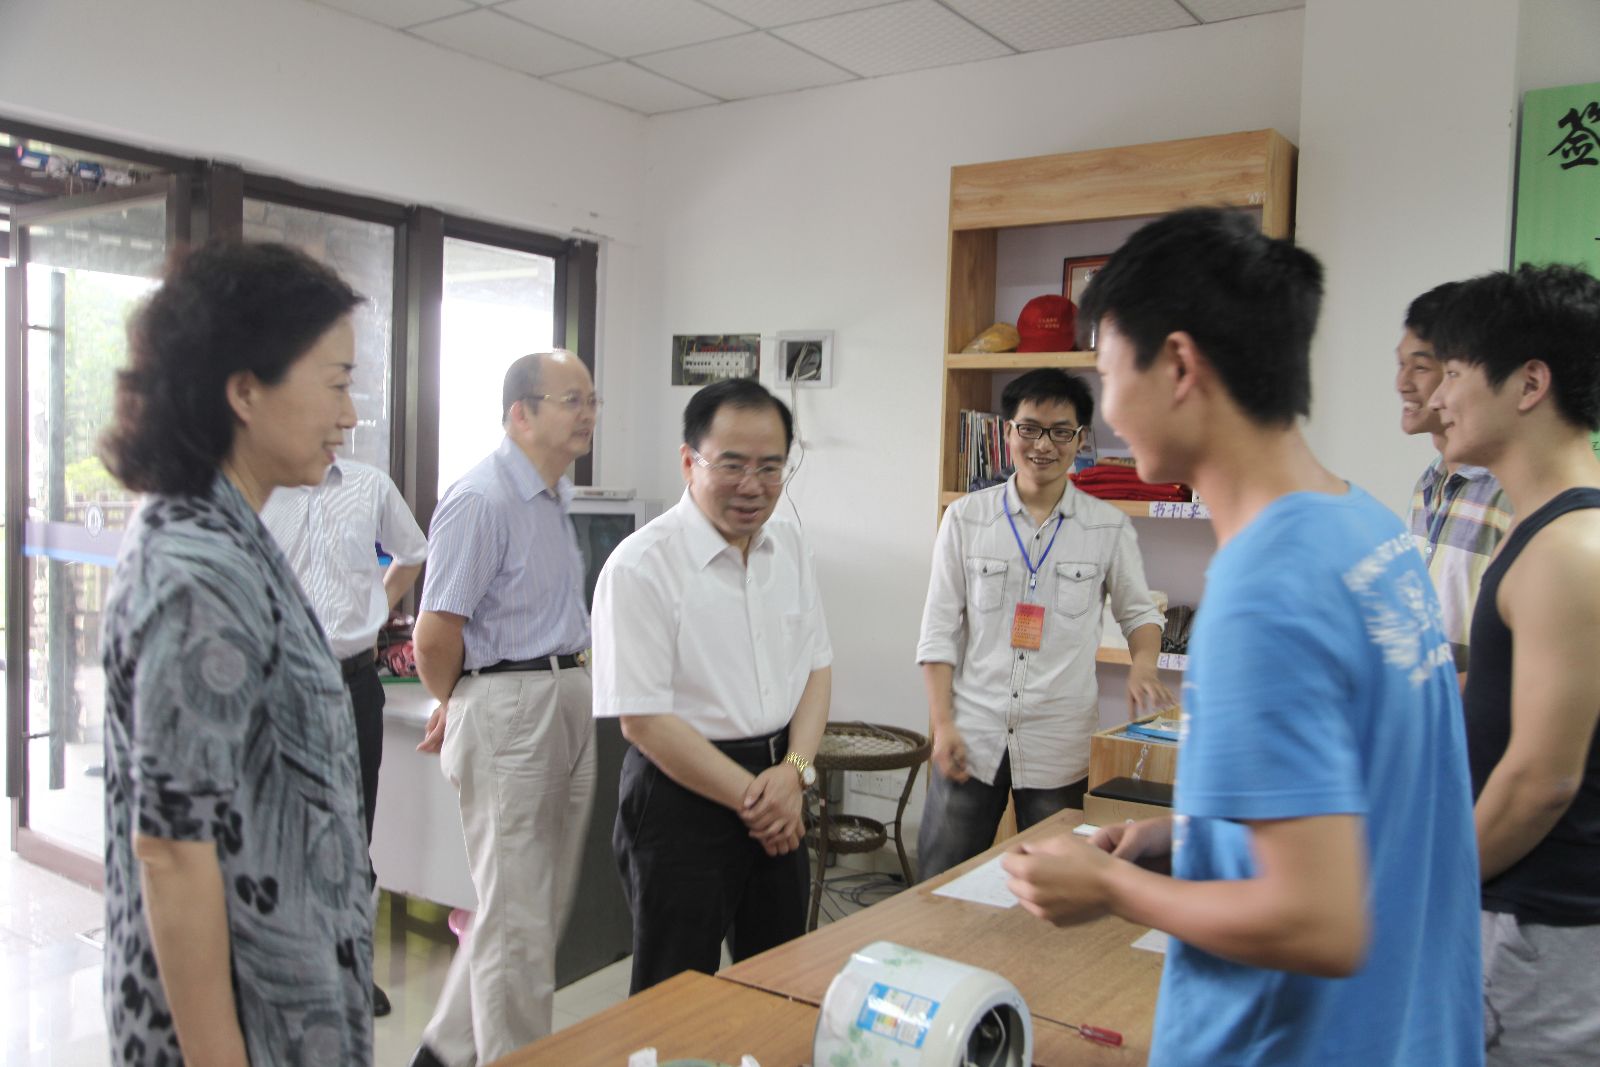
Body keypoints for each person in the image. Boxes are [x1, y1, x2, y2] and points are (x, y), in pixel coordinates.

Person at [1001, 208, 1482, 1067]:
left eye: (1108, 373)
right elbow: (1365, 805)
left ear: (1179, 366)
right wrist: (1187, 840)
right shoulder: (1367, 528)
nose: (1107, 413)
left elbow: (1321, 922)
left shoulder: (1265, 585)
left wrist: (1111, 886)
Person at [98, 241, 373, 1065]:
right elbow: (171, 849)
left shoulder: (227, 532)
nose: (349, 415)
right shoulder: (200, 569)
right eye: (337, 383)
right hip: (243, 1029)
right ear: (245, 390)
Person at [592, 378, 832, 995]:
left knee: (780, 981)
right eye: (731, 465)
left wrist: (794, 774)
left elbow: (816, 669)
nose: (752, 485)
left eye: (770, 467)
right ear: (688, 461)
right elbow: (643, 720)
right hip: (681, 796)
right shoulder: (640, 565)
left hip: (781, 780)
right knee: (674, 994)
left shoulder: (790, 546)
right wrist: (763, 800)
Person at [1427, 263, 1600, 1066]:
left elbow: (1542, 781)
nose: (1437, 397)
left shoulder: (1570, 547)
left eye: (1454, 373)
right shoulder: (1542, 534)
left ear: (1530, 383)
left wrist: (1425, 886)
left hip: (1540, 930)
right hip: (1515, 911)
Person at [407, 351, 599, 1067]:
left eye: (592, 399)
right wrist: (461, 698)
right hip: (513, 705)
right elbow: (435, 634)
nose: (587, 413)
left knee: (532, 911)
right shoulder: (482, 498)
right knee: (518, 924)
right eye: (571, 399)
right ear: (521, 413)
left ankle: (444, 1051)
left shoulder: (554, 497)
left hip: (564, 692)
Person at [915, 368, 1169, 879]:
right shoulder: (965, 519)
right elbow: (938, 631)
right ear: (1008, 431)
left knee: (1056, 888)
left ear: (1080, 439)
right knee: (939, 880)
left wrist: (1143, 664)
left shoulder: (1107, 527)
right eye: (1029, 428)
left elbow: (1140, 613)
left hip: (1059, 740)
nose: (1043, 445)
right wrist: (942, 725)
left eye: (1060, 432)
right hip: (973, 733)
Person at [261, 456, 428, 1016]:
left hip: (354, 681)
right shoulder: (259, 483)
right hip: (281, 681)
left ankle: (350, 968)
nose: (345, 418)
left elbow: (413, 551)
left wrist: (375, 609)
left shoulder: (368, 484)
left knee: (354, 829)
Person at [1395, 281, 1512, 681]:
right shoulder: (1429, 484)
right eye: (1400, 364)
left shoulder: (1510, 493)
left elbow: (1515, 673)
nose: (1402, 383)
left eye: (1421, 367)